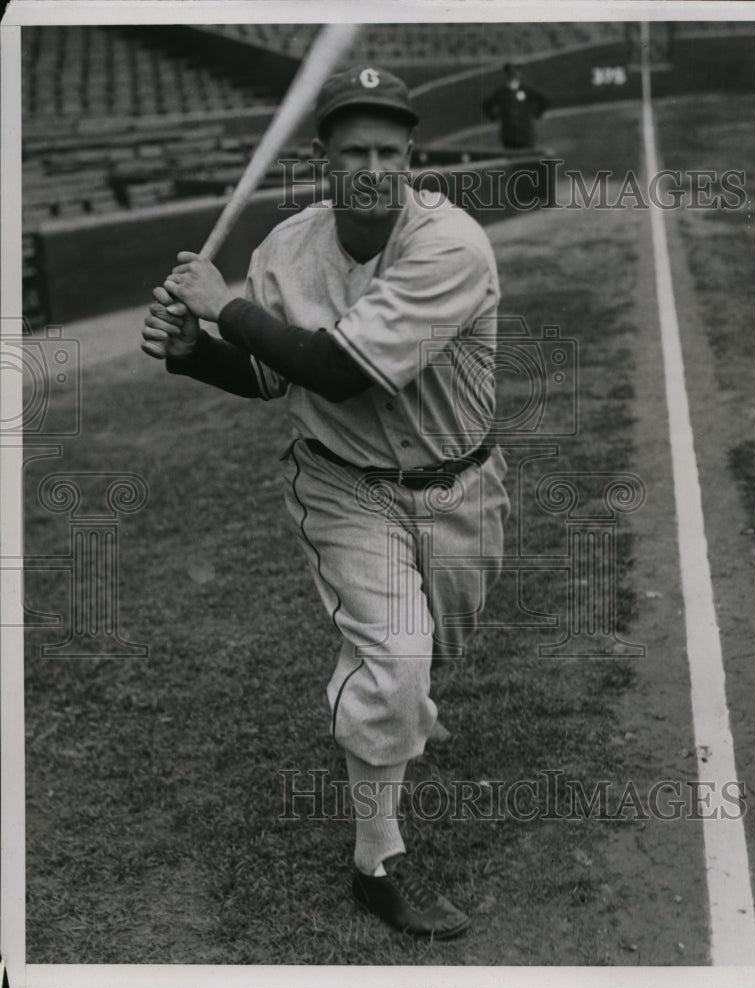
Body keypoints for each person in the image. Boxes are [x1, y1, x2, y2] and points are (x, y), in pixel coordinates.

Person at [141, 65, 510, 939]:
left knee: (429, 661)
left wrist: (222, 307)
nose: (372, 167)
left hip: (460, 486)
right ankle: (377, 865)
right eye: (354, 152)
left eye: (389, 150)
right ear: (324, 161)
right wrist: (193, 348)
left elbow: (337, 370)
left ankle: (409, 700)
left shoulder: (450, 244)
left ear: (411, 156)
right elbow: (273, 375)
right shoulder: (285, 249)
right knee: (391, 667)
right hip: (343, 486)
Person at [482, 62, 549, 150]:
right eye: (511, 71)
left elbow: (544, 100)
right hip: (509, 134)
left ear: (520, 73)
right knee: (513, 158)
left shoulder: (526, 90)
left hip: (524, 132)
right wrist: (493, 117)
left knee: (526, 157)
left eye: (517, 70)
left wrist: (537, 113)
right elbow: (486, 105)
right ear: (507, 73)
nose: (514, 73)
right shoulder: (501, 92)